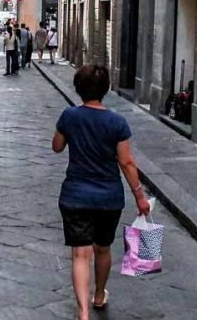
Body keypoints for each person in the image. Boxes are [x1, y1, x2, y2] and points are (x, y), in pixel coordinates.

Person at [52, 65, 151, 317]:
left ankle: (83, 312)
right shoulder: (117, 122)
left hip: (75, 195)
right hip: (109, 197)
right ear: (106, 89)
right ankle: (98, 294)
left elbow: (57, 147)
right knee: (103, 248)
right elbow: (127, 163)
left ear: (78, 89)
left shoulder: (69, 116)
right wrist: (140, 196)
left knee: (80, 254)